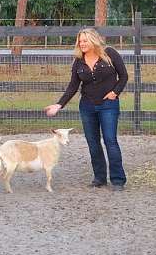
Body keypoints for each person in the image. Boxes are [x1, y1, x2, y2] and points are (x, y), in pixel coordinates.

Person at [44, 28, 128, 190]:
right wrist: (59, 104)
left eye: (84, 41)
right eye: (80, 41)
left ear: (93, 40)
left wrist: (115, 92)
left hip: (108, 105)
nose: (81, 44)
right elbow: (73, 86)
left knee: (110, 141)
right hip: (87, 106)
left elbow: (123, 76)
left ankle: (118, 180)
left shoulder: (110, 53)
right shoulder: (78, 61)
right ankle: (99, 178)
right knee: (93, 143)